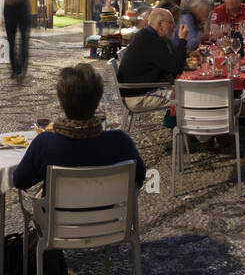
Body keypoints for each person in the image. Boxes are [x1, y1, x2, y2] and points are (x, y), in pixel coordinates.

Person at [13, 64, 146, 190]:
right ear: (97, 103)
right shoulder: (120, 141)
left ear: (60, 103)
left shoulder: (44, 144)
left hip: (58, 208)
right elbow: (139, 177)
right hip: (108, 207)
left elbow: (20, 181)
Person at [117, 7, 187, 95]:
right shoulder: (149, 39)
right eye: (171, 23)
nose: (174, 27)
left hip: (141, 89)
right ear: (160, 24)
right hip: (137, 94)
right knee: (184, 96)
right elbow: (176, 68)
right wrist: (182, 40)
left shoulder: (149, 35)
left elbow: (172, 63)